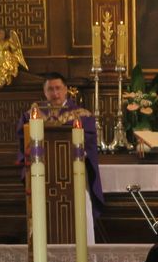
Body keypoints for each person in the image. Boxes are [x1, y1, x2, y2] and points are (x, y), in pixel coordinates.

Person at [16, 72, 104, 211]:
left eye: (58, 88)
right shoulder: (32, 116)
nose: (55, 93)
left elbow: (89, 144)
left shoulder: (82, 115)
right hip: (45, 175)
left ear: (66, 89)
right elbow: (25, 142)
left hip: (73, 173)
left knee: (78, 210)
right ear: (44, 92)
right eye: (50, 89)